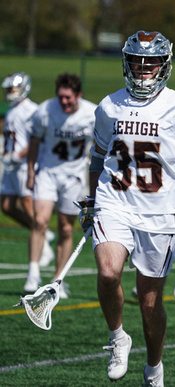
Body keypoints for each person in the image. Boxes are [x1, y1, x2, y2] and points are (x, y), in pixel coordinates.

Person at [79, 30, 175, 385]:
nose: (142, 68)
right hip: (115, 202)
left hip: (161, 211)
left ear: (164, 65)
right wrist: (93, 199)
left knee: (150, 300)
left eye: (151, 62)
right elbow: (97, 157)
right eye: (137, 61)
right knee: (108, 273)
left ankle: (154, 367)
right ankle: (118, 337)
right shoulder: (109, 105)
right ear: (126, 63)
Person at [24, 73, 95, 296]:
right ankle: (33, 272)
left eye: (68, 98)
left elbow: (100, 146)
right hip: (48, 171)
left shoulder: (91, 114)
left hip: (73, 176)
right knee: (41, 220)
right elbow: (34, 141)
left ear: (78, 96)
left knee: (66, 228)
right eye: (61, 97)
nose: (64, 102)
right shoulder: (44, 111)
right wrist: (31, 171)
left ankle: (57, 279)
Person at [1, 73, 56, 268]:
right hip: (11, 166)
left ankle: (44, 244)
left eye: (12, 89)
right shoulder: (12, 110)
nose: (9, 93)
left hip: (24, 164)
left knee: (27, 204)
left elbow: (36, 139)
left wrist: (19, 155)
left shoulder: (31, 110)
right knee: (6, 206)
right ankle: (46, 234)